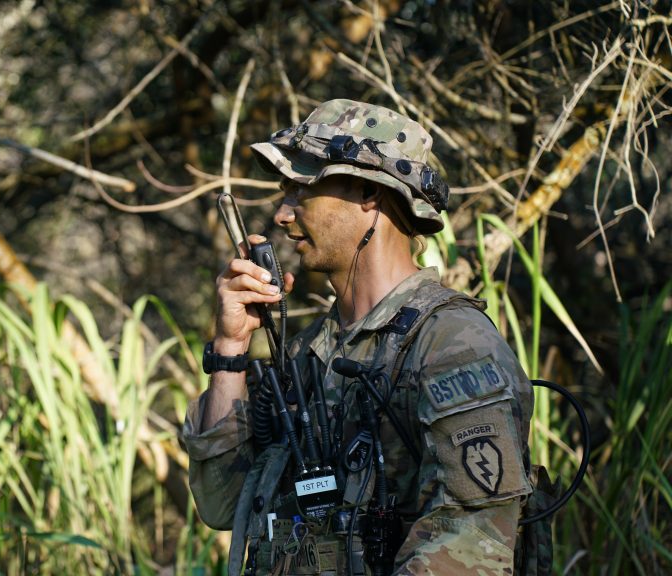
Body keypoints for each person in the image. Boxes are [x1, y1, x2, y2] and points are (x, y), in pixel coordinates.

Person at [182, 100, 541, 575]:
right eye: (284, 191)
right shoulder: (308, 352)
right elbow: (222, 505)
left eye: (302, 189)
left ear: (370, 193)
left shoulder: (452, 346)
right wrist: (229, 351)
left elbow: (471, 546)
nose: (283, 214)